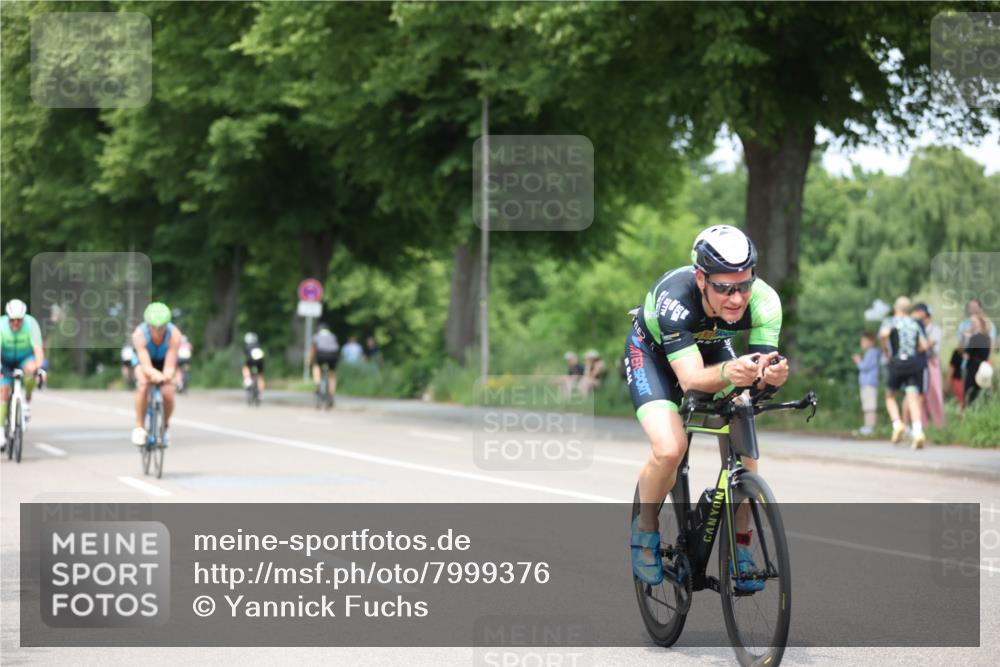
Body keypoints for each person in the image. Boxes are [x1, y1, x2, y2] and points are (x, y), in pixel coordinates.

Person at [626, 225, 788, 589]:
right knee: (670, 449)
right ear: (701, 279)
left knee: (745, 446)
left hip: (713, 346)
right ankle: (646, 530)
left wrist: (769, 378)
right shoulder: (675, 297)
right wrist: (733, 371)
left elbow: (757, 370)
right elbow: (691, 379)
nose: (736, 298)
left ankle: (741, 548)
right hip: (653, 357)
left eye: (744, 285)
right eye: (724, 288)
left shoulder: (765, 302)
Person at [130, 302, 182, 446]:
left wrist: (166, 376)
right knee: (143, 384)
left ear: (168, 324)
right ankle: (139, 427)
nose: (159, 330)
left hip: (164, 359)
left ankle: (164, 427)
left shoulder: (175, 334)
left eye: (162, 327)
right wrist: (153, 375)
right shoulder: (139, 334)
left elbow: (170, 365)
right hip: (144, 360)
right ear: (148, 325)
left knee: (168, 392)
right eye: (155, 327)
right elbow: (146, 366)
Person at [879, 297, 929, 448]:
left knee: (889, 396)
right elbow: (924, 345)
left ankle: (897, 424)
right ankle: (918, 431)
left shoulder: (892, 321)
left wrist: (886, 351)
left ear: (896, 308)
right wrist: (913, 350)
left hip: (897, 362)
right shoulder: (915, 323)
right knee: (913, 398)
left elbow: (883, 335)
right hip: (913, 363)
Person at [1, 299, 46, 451]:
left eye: (19, 320)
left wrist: (39, 368)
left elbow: (38, 350)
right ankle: (1, 431)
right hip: (4, 360)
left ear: (23, 318)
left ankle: (26, 402)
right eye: (12, 320)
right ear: (7, 317)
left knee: (32, 369)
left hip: (24, 358)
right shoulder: (1, 325)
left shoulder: (31, 324)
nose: (15, 323)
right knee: (3, 391)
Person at [913, 304, 944, 427]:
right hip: (920, 362)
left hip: (932, 362)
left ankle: (939, 424)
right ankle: (922, 424)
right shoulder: (917, 329)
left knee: (934, 393)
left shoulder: (935, 330)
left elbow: (928, 346)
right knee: (921, 393)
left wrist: (923, 346)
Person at [852, 331, 880, 436]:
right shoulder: (870, 353)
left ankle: (870, 427)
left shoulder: (872, 352)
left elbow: (864, 367)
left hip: (869, 383)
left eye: (864, 341)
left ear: (871, 342)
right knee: (867, 406)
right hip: (866, 384)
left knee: (870, 406)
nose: (862, 343)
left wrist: (858, 360)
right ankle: (867, 426)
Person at [963, 313, 993, 408]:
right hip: (984, 367)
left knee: (970, 394)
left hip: (973, 367)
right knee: (982, 392)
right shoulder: (988, 338)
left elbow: (966, 355)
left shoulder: (975, 338)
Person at [311, 323, 340, 403]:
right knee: (332, 374)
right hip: (333, 355)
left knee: (316, 367)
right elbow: (336, 347)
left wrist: (310, 359)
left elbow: (313, 349)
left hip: (321, 354)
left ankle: (318, 384)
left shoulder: (316, 336)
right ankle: (331, 394)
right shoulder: (333, 336)